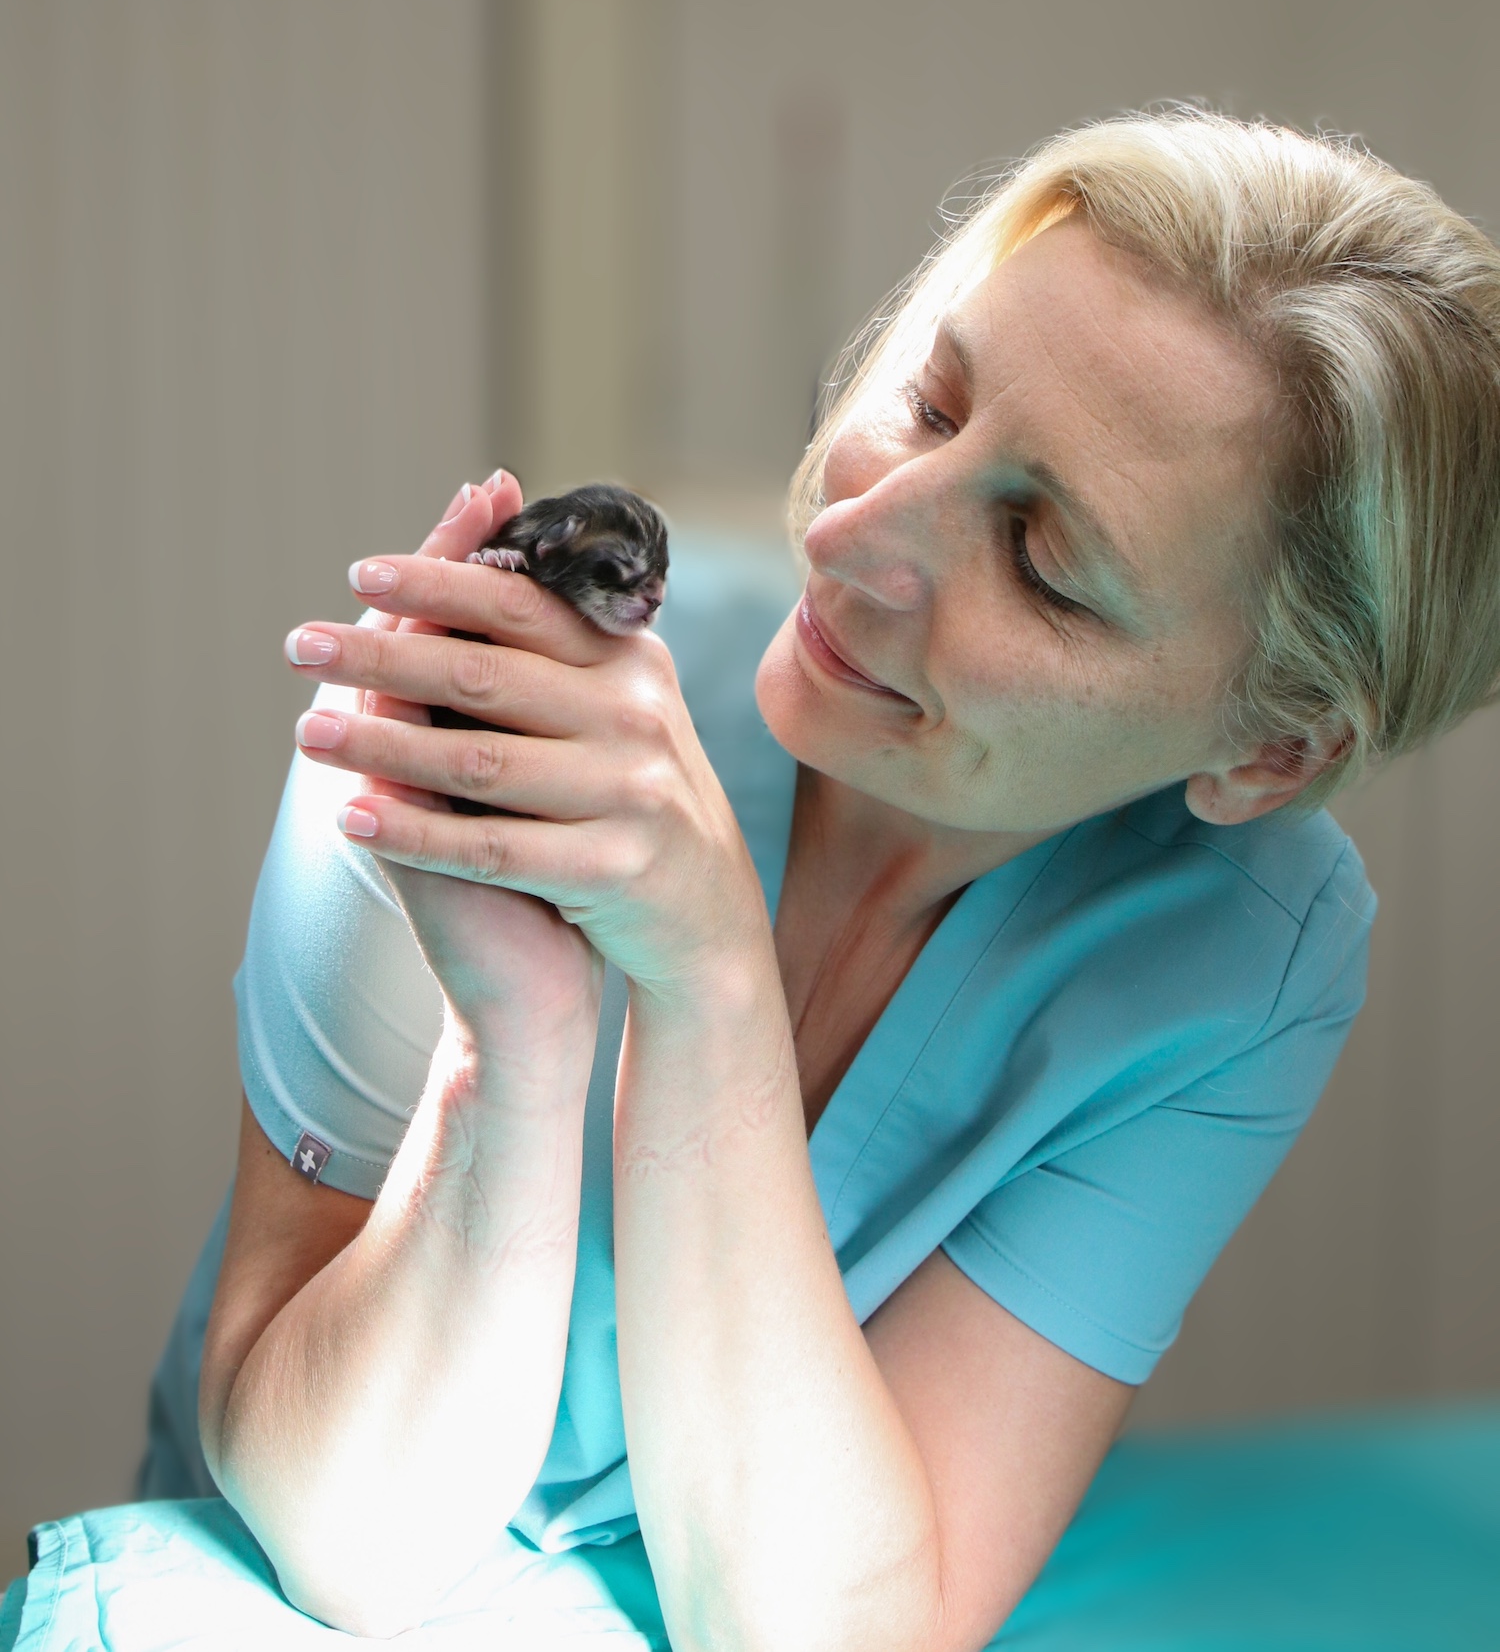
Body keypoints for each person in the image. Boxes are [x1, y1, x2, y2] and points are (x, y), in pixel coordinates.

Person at [146, 109, 1500, 1650]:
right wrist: (510, 1051)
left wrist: (706, 979)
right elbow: (341, 1542)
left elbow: (835, 1636)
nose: (853, 533)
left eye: (1043, 561)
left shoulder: (1243, 957)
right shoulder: (492, 700)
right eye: (930, 402)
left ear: (1267, 756)